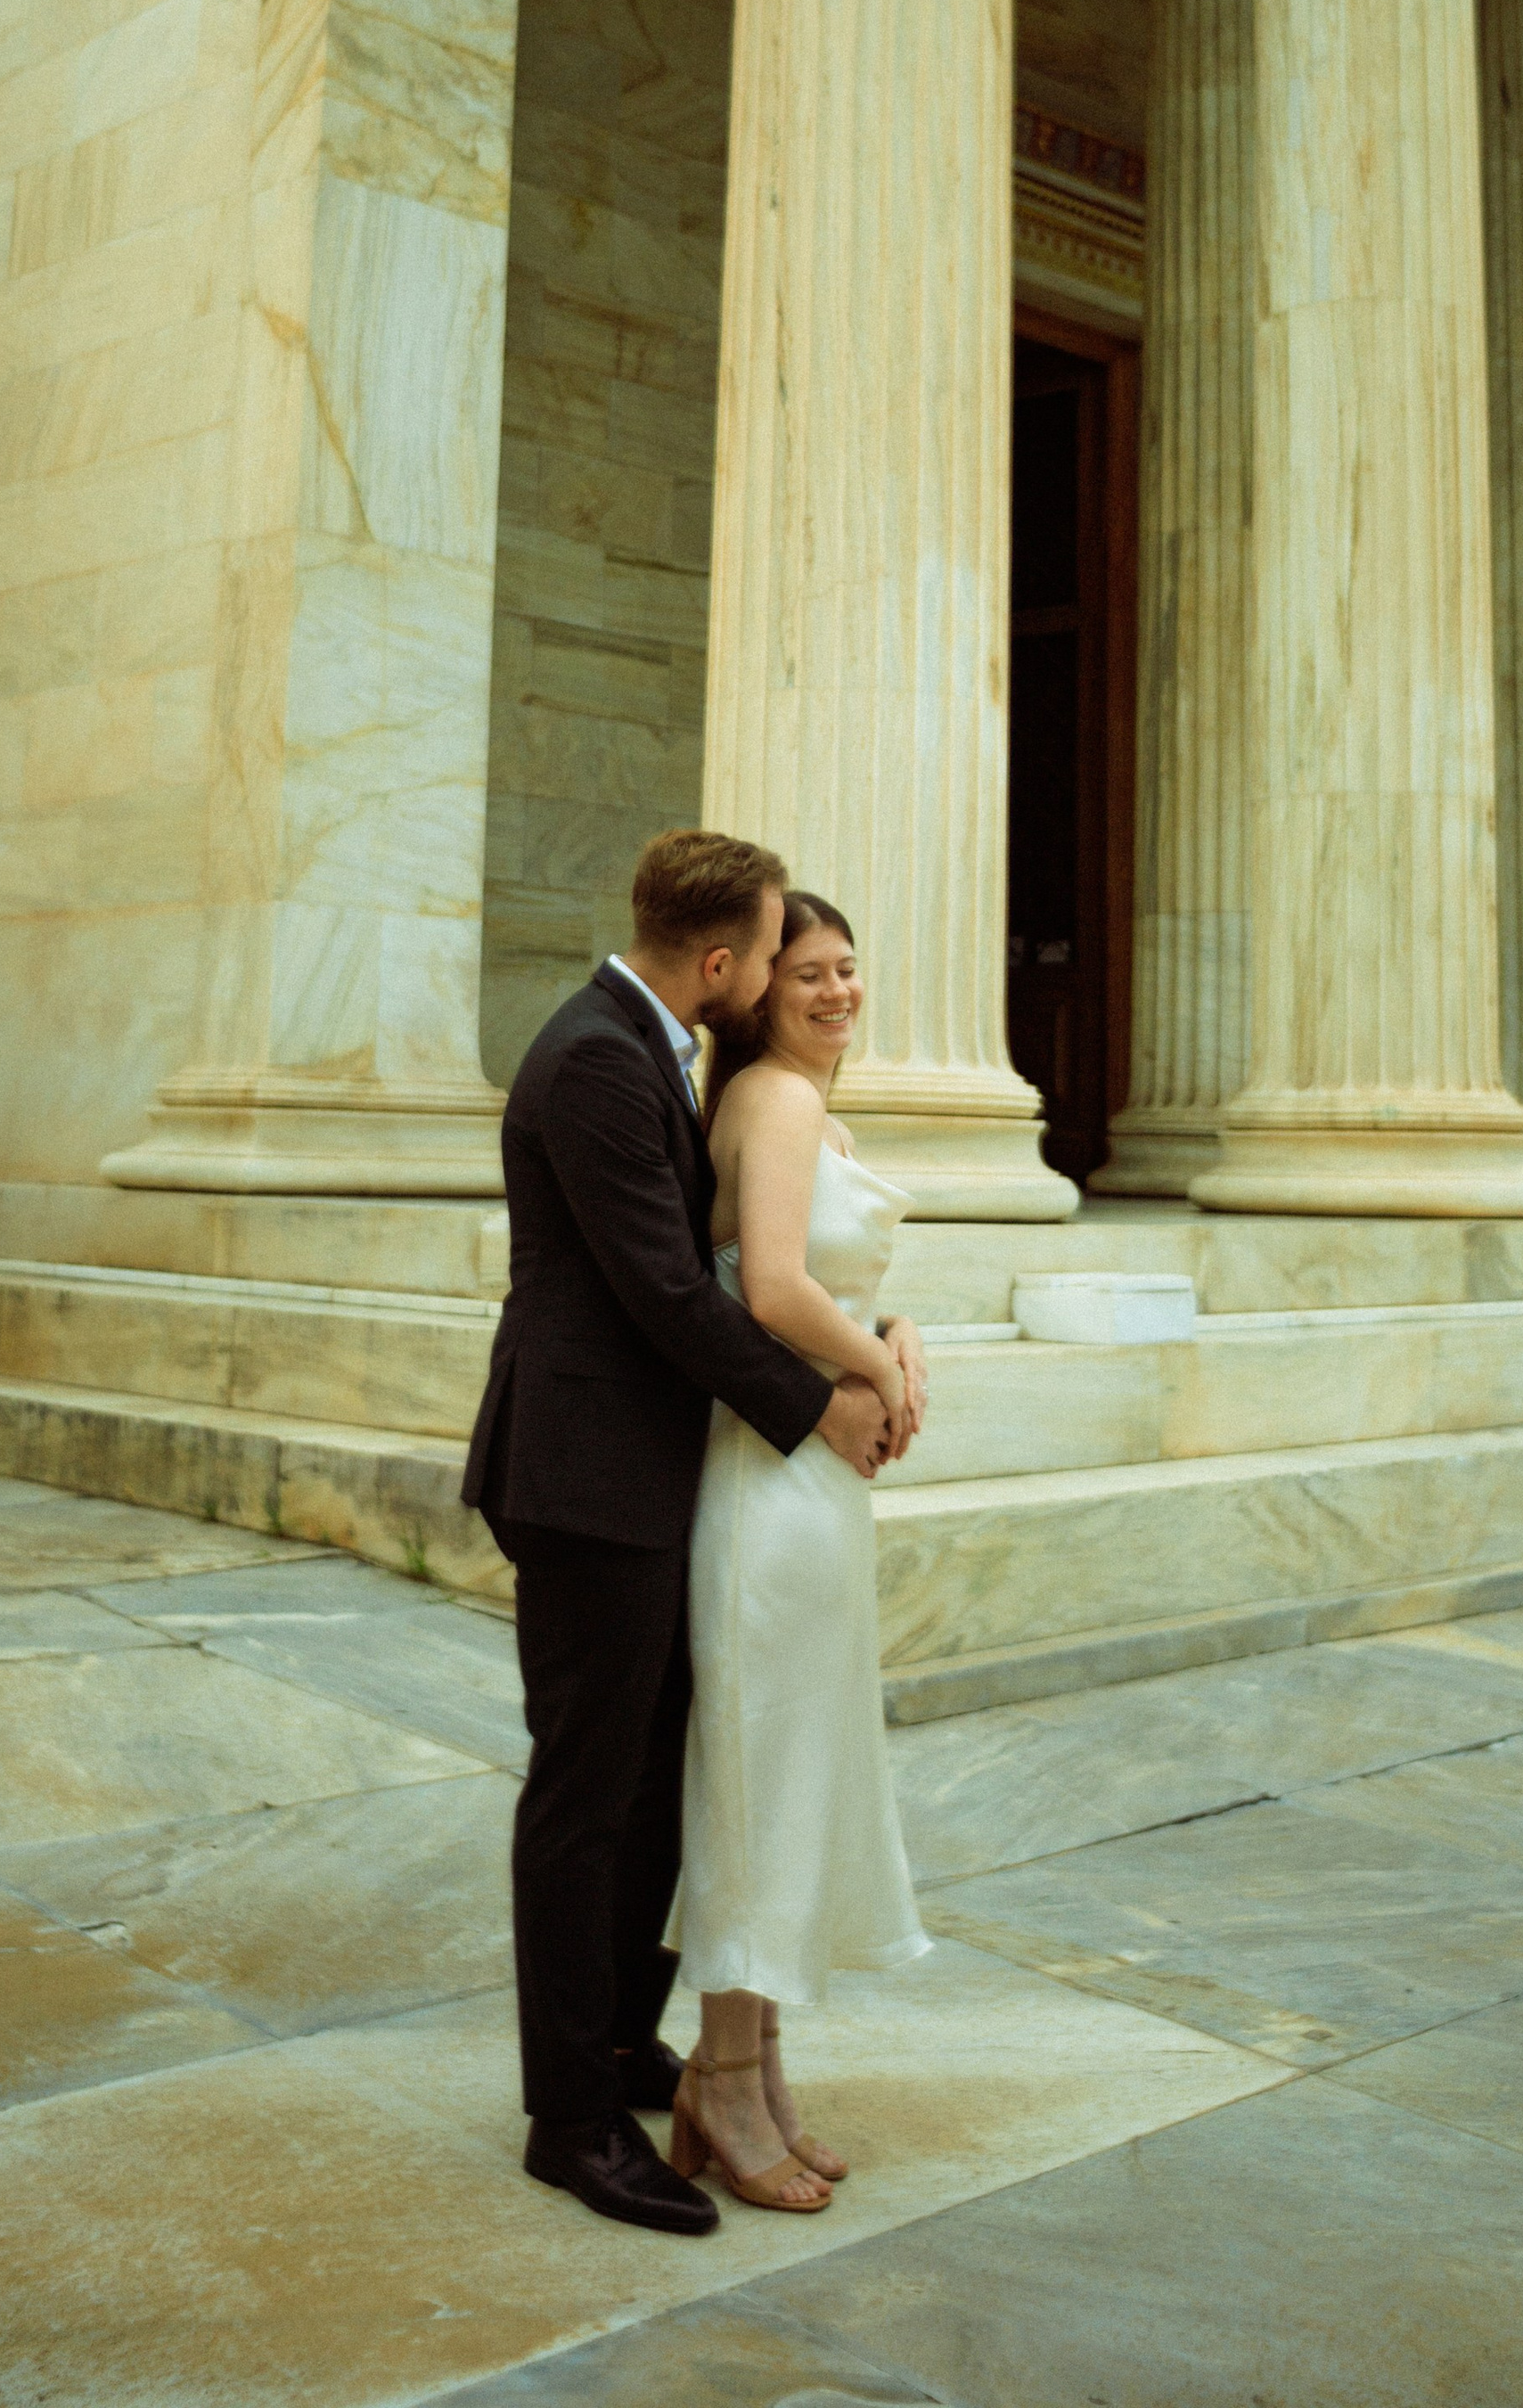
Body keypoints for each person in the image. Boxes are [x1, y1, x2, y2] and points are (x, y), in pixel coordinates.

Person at [463, 831, 894, 2239]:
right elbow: (664, 1287)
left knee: (654, 1781)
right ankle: (570, 2119)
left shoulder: (646, 1044)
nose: (780, 978)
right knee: (587, 1799)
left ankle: (616, 2040)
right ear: (720, 962)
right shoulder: (597, 1056)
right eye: (774, 953)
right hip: (584, 1474)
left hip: (644, 1469)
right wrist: (817, 1407)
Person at [667, 890, 931, 2214]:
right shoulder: (769, 1099)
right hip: (766, 1482)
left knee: (796, 1767)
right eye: (807, 972)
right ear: (760, 990)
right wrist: (871, 1365)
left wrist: (896, 1338)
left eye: (848, 968)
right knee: (758, 1780)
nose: (836, 991)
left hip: (819, 1485)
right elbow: (767, 1288)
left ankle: (756, 2074)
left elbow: (828, 1279)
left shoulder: (809, 1110)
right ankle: (719, 2079)